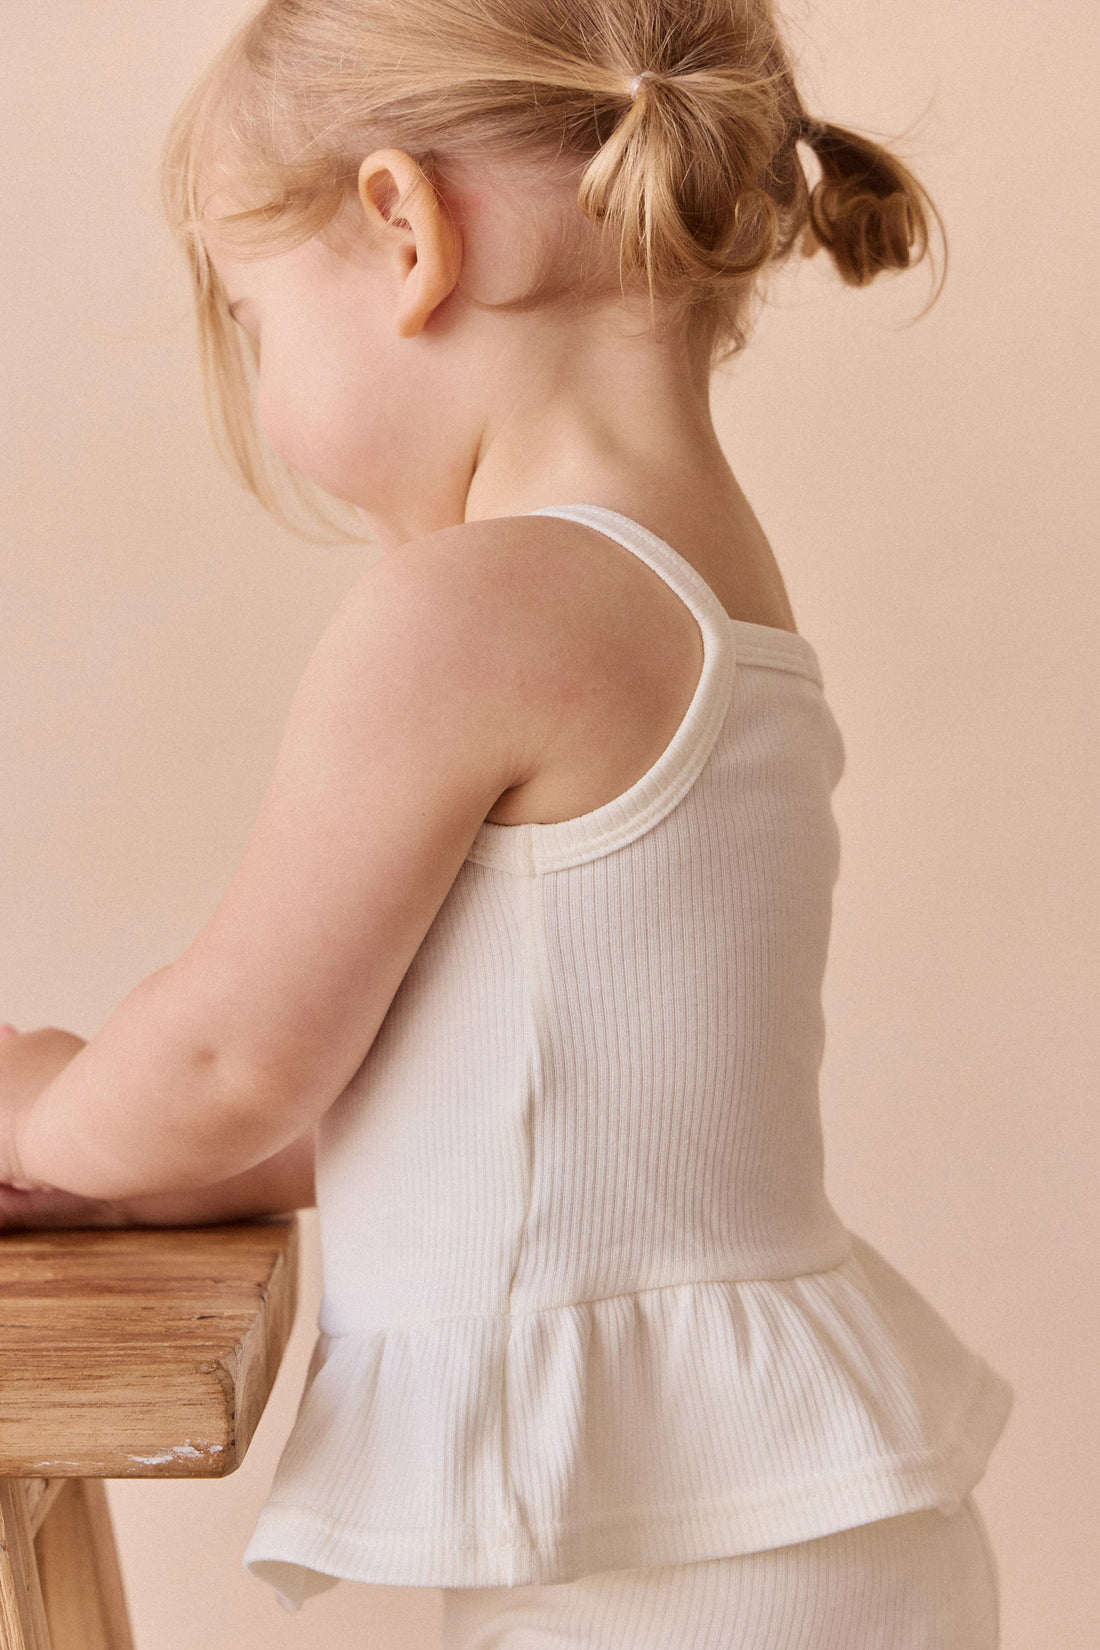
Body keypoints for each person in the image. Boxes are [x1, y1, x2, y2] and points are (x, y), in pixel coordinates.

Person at [0, 1, 1014, 1645]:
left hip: (669, 1577)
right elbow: (514, 1086)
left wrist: (48, 1111)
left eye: (257, 318)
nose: (263, 386)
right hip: (770, 1525)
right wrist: (137, 1185)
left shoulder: (480, 603)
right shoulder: (710, 585)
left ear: (404, 233)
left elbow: (233, 1055)